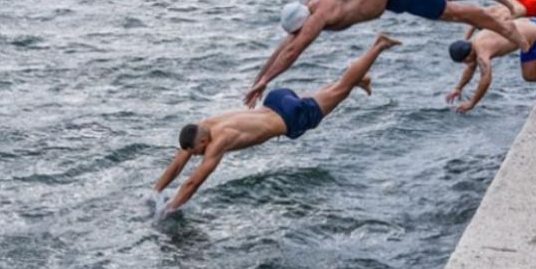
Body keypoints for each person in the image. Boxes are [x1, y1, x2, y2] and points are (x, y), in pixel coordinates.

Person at [153, 34, 401, 214]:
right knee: (332, 93)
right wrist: (156, 191)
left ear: (204, 142)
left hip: (290, 118)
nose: (197, 156)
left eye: (198, 152)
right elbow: (179, 161)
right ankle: (359, 78)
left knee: (340, 89)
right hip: (276, 101)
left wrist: (168, 210)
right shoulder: (204, 125)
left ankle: (376, 48)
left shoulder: (220, 140)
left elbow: (193, 182)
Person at [243, 0, 529, 107]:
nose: (299, 35)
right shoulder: (308, 5)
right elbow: (285, 45)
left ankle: (502, 26)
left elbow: (294, 51)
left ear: (303, 22)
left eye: (300, 31)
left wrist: (267, 81)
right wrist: (260, 80)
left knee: (453, 13)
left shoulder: (320, 13)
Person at [446, 18, 536, 113]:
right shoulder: (472, 46)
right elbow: (470, 68)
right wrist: (458, 88)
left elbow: (486, 79)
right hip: (528, 42)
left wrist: (472, 103)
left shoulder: (482, 51)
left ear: (469, 54)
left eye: (465, 61)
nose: (467, 64)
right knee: (529, 74)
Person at [463, 0, 536, 40]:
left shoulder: (500, 21)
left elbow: (516, 26)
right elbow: (474, 24)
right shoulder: (489, 10)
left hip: (528, 8)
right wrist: (465, 39)